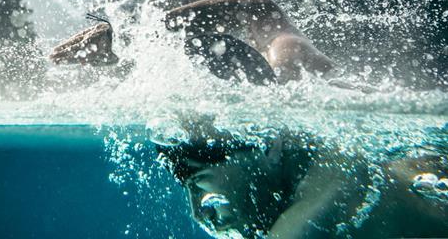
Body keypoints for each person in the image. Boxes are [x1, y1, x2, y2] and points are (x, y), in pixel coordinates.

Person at [155, 117, 448, 238]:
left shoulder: (319, 205)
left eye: (197, 181)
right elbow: (266, 11)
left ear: (269, 150)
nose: (197, 212)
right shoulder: (319, 153)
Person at [50, 0, 339, 85]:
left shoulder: (288, 57)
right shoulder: (289, 58)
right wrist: (128, 40)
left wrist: (128, 39)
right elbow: (259, 8)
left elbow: (259, 9)